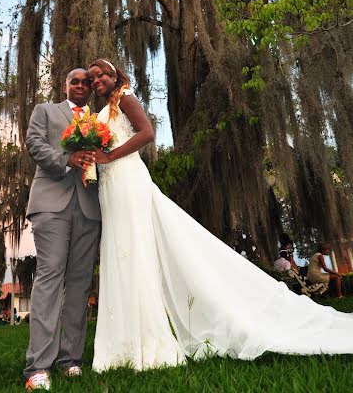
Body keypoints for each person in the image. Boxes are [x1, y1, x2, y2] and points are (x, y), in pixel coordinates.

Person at [88, 58, 353, 372]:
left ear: (113, 75)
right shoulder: (101, 113)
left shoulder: (127, 98)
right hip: (110, 187)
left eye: (99, 75)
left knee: (134, 254)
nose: (95, 81)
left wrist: (109, 155)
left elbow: (146, 134)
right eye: (91, 79)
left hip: (129, 181)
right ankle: (120, 344)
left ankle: (146, 342)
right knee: (119, 257)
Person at [23, 68, 101, 392]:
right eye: (75, 81)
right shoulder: (46, 111)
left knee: (81, 284)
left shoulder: (100, 121)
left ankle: (71, 361)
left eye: (86, 83)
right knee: (50, 276)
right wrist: (66, 159)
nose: (81, 86)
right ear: (65, 85)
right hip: (51, 202)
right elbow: (34, 143)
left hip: (88, 207)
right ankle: (38, 367)